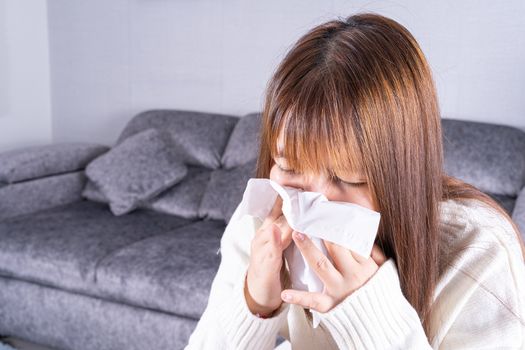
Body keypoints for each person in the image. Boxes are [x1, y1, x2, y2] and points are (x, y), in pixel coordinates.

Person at [185, 12, 525, 349]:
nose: (311, 203)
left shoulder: (477, 250)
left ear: (400, 173)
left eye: (347, 178)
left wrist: (369, 317)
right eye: (289, 167)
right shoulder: (266, 217)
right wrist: (254, 304)